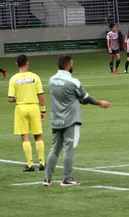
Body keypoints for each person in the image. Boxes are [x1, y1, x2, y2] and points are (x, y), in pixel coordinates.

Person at [43, 54, 111, 187]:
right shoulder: (73, 82)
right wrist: (99, 103)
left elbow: (67, 97)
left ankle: (47, 177)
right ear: (68, 65)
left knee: (55, 149)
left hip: (56, 119)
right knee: (69, 148)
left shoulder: (51, 80)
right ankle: (67, 178)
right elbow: (86, 97)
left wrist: (78, 100)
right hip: (70, 119)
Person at [7, 54, 47, 172]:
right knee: (38, 135)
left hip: (21, 108)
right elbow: (41, 96)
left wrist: (17, 98)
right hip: (34, 107)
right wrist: (43, 110)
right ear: (27, 63)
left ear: (16, 64)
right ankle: (42, 163)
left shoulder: (14, 79)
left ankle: (30, 165)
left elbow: (10, 98)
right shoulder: (35, 77)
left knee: (25, 135)